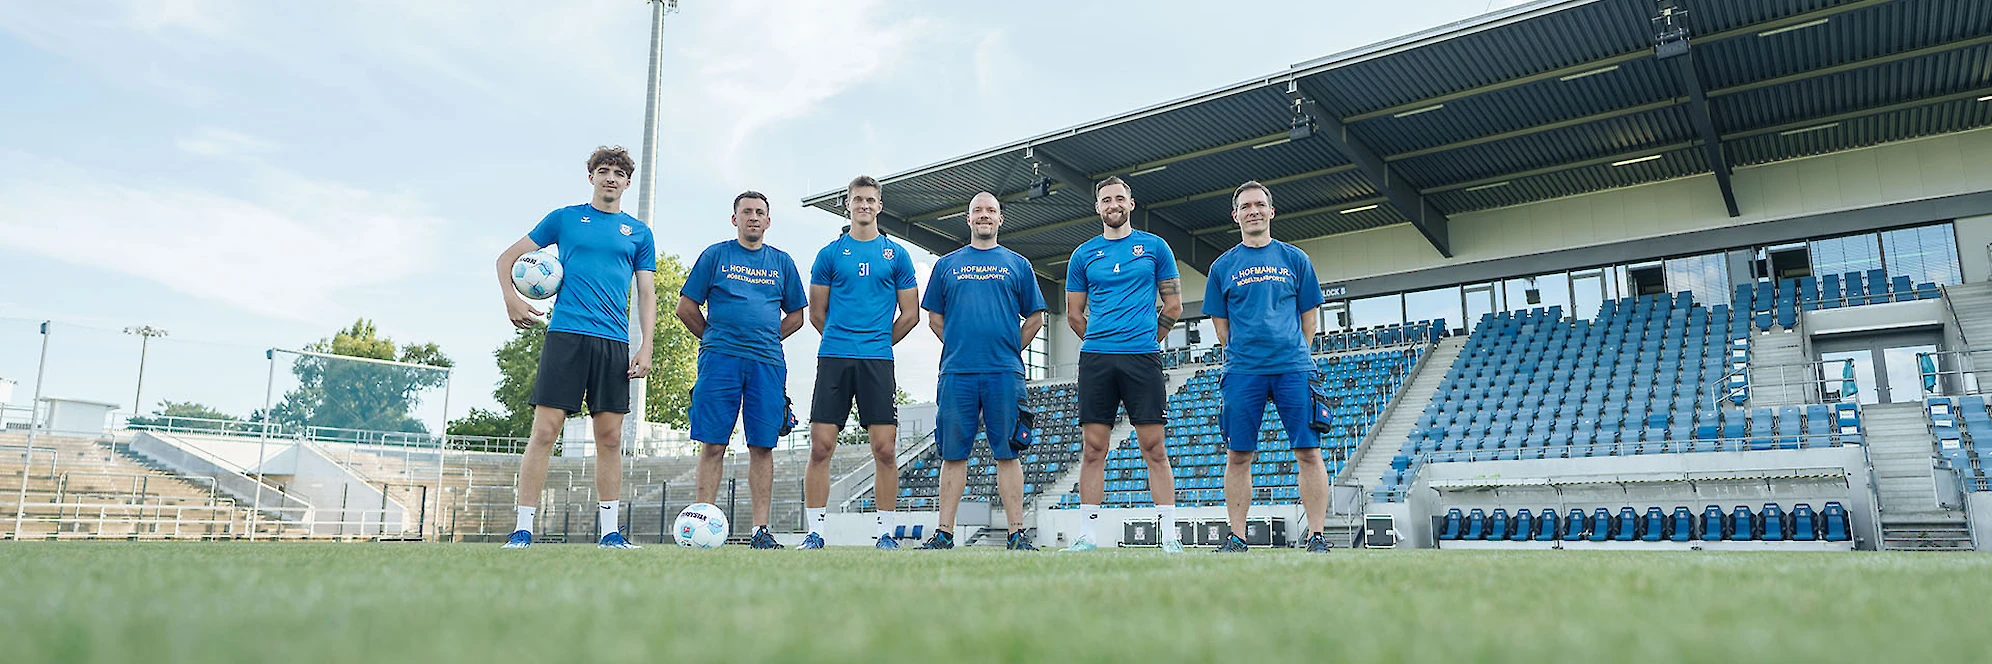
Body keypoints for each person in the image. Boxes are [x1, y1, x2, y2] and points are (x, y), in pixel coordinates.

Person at [495, 146, 656, 549]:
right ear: (591, 177)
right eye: (603, 171)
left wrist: (646, 345)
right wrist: (512, 299)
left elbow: (646, 293)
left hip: (613, 341)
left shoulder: (638, 233)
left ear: (627, 183)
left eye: (619, 173)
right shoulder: (564, 219)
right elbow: (506, 259)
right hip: (566, 336)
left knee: (610, 437)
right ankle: (522, 529)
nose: (611, 178)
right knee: (545, 431)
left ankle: (610, 533)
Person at [915, 192, 1047, 551]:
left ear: (1001, 219)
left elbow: (1035, 318)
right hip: (957, 372)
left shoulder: (1018, 264)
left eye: (991, 210)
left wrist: (1007, 348)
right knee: (953, 454)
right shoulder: (947, 265)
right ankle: (943, 533)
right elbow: (934, 319)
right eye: (978, 211)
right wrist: (961, 345)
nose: (984, 215)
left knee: (1008, 453)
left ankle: (1017, 533)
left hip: (1004, 373)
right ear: (968, 218)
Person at [1202, 181, 1329, 554]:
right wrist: (1247, 355)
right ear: (1235, 215)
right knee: (1239, 455)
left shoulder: (1295, 260)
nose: (1253, 211)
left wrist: (1292, 354)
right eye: (1246, 206)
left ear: (1271, 212)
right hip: (1243, 372)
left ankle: (1317, 536)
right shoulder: (1222, 266)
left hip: (1294, 369)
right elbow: (1222, 328)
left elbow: (1310, 320)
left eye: (1260, 204)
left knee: (1309, 452)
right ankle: (1237, 537)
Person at [677, 191, 808, 549]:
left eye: (760, 212)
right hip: (720, 361)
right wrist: (715, 338)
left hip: (766, 363)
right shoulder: (715, 255)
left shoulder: (782, 262)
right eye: (746, 211)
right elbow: (686, 307)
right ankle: (701, 523)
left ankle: (760, 531)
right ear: (734, 219)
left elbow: (797, 316)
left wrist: (765, 337)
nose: (753, 217)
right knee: (713, 443)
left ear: (768, 221)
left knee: (763, 446)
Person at [1062, 176, 1182, 553]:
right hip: (1097, 358)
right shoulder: (1083, 254)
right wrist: (1103, 342)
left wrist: (1145, 340)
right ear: (1097, 207)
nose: (1112, 204)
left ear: (1131, 203)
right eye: (1105, 199)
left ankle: (1170, 537)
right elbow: (1074, 314)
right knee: (1093, 448)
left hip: (1142, 357)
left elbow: (1174, 306)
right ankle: (1088, 537)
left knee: (1155, 448)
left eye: (1119, 198)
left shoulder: (1154, 247)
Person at [801, 175, 920, 549]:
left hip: (877, 362)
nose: (864, 205)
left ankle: (885, 532)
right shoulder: (830, 254)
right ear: (847, 204)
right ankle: (815, 533)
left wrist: (878, 343)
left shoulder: (896, 254)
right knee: (821, 446)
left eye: (870, 200)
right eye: (858, 200)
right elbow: (816, 313)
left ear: (880, 206)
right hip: (834, 357)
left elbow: (911, 313)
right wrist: (842, 339)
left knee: (884, 449)